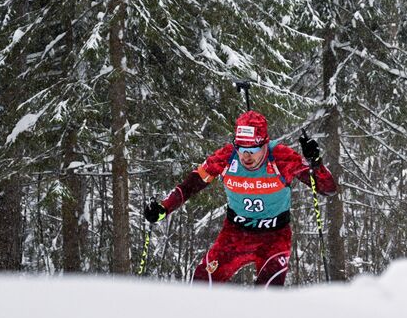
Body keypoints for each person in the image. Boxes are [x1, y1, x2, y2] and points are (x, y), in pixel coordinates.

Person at [144, 110, 337, 286]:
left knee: (268, 296)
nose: (246, 156)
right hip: (235, 235)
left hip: (274, 238)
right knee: (201, 284)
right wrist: (163, 209)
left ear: (265, 144)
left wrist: (316, 163)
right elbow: (190, 185)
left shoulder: (280, 157)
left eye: (253, 150)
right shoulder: (227, 157)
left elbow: (327, 189)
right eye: (241, 148)